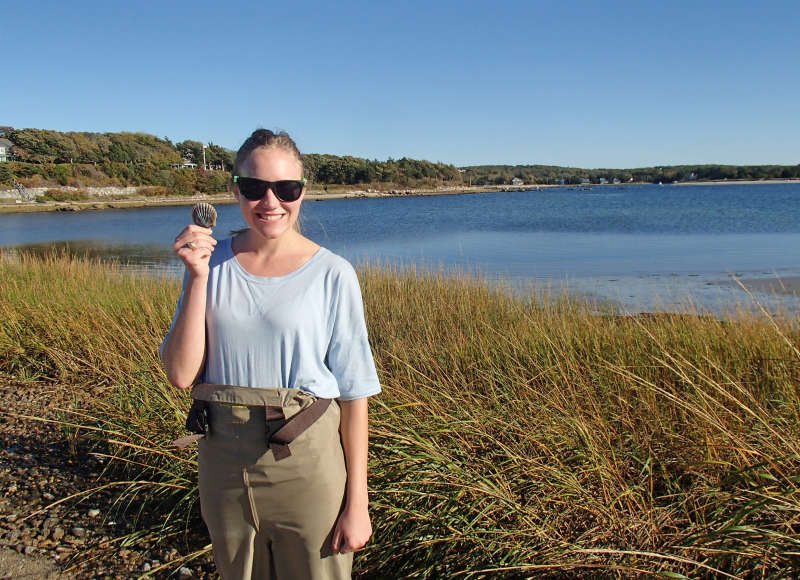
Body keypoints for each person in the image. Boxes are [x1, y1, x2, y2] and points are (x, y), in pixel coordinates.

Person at [160, 129, 381, 579]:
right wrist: (198, 276)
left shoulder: (333, 274)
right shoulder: (209, 262)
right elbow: (182, 375)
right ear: (235, 189)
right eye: (254, 188)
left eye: (286, 189)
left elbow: (355, 397)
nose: (270, 202)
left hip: (307, 462)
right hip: (223, 458)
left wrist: (357, 502)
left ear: (303, 191)